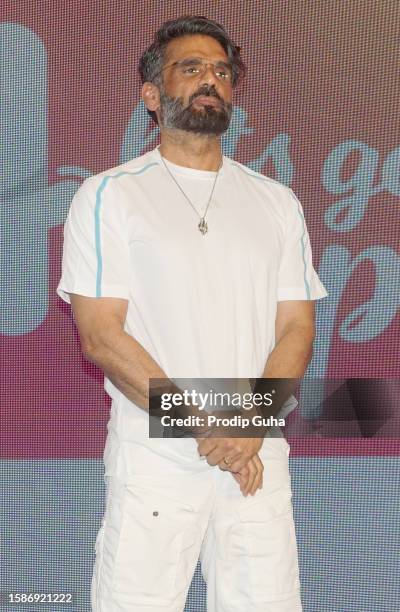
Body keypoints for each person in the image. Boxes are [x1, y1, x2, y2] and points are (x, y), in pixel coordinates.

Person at [57, 15, 328, 612]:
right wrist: (206, 425)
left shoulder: (276, 201)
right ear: (151, 95)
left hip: (254, 451)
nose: (211, 79)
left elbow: (295, 327)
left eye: (222, 71)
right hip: (158, 453)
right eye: (191, 68)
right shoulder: (110, 195)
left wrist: (248, 424)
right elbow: (103, 336)